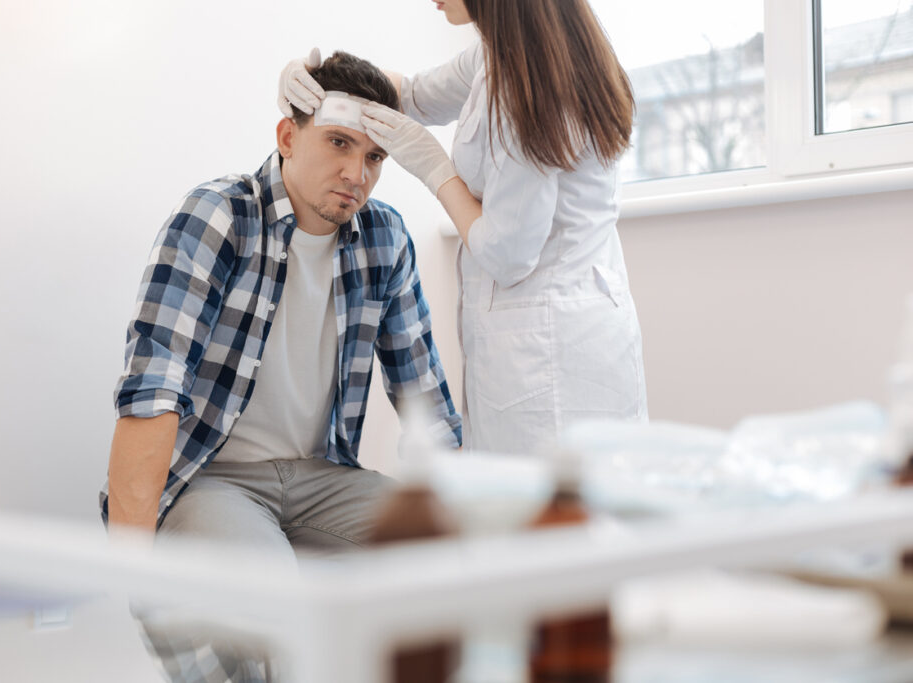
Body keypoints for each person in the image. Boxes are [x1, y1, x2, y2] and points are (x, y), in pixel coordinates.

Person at [103, 50, 462, 683]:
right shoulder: (218, 217)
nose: (357, 172)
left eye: (374, 157)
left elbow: (424, 399)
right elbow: (153, 387)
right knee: (280, 612)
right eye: (339, 143)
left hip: (322, 475)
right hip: (215, 479)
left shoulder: (385, 238)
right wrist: (135, 570)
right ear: (288, 136)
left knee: (466, 559)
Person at [280, 0, 648, 456]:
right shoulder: (511, 54)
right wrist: (312, 79)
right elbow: (411, 94)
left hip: (546, 349)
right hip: (581, 328)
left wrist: (438, 171)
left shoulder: (524, 85)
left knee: (546, 517)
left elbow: (507, 256)